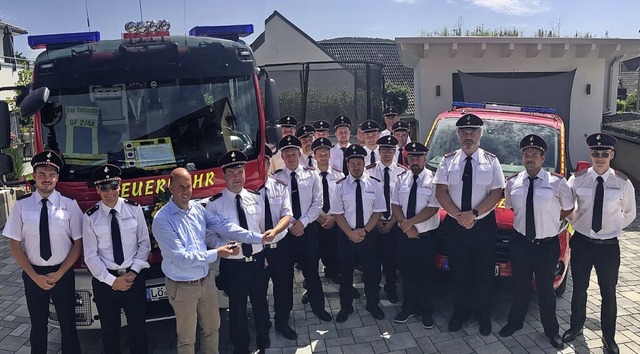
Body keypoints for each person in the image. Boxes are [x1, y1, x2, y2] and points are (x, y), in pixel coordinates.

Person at [152, 167, 272, 354]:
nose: (186, 191)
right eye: (180, 187)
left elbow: (223, 226)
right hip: (182, 286)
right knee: (187, 339)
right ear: (170, 188)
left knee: (212, 329)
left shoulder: (197, 209)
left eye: (188, 186)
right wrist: (217, 253)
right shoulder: (162, 220)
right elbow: (181, 258)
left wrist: (258, 238)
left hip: (205, 280)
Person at [563, 133, 636, 354]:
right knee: (579, 290)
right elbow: (568, 209)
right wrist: (580, 222)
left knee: (608, 292)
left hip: (608, 247)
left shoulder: (622, 183)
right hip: (583, 243)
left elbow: (630, 214)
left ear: (612, 154)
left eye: (605, 153)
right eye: (596, 153)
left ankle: (609, 337)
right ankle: (575, 327)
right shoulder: (577, 179)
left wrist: (610, 227)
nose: (600, 157)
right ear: (590, 154)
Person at [3, 150, 83, 354]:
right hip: (33, 273)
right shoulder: (21, 206)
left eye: (51, 175)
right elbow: (14, 245)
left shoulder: (69, 205)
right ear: (34, 177)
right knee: (38, 326)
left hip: (62, 274)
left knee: (68, 326)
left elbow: (78, 243)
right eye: (41, 174)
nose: (46, 179)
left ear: (57, 177)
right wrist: (34, 277)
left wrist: (60, 273)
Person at [499, 135, 573, 350]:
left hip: (546, 245)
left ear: (543, 157)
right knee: (519, 286)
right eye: (526, 154)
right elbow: (513, 208)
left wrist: (548, 220)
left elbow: (568, 208)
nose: (529, 158)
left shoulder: (558, 183)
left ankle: (552, 331)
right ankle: (515, 323)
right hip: (521, 243)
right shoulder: (513, 182)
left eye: (534, 154)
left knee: (545, 290)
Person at [434, 113, 505, 336]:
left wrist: (473, 214)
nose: (468, 135)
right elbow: (440, 191)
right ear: (458, 135)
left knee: (484, 274)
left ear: (480, 135)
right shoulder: (447, 161)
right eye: (464, 132)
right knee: (460, 272)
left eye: (473, 131)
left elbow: (496, 193)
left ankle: (483, 315)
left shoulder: (492, 161)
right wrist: (458, 215)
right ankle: (460, 313)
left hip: (483, 226)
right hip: (456, 226)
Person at [206, 151, 272, 354]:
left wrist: (265, 254)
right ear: (224, 176)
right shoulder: (214, 204)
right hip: (233, 264)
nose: (237, 177)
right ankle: (241, 346)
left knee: (261, 303)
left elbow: (263, 230)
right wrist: (222, 246)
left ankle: (263, 340)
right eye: (232, 173)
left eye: (240, 172)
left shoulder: (256, 198)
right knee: (237, 308)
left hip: (257, 261)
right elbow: (208, 236)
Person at [82, 164, 151, 354]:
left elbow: (144, 243)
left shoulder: (134, 209)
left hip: (133, 278)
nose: (109, 192)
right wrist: (114, 281)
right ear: (97, 189)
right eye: (103, 188)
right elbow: (90, 255)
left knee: (138, 329)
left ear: (119, 185)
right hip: (106, 282)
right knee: (109, 332)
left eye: (113, 186)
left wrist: (133, 272)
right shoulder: (90, 217)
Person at [271, 136, 333, 330]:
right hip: (285, 234)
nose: (291, 157)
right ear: (282, 156)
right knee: (284, 277)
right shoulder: (276, 178)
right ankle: (282, 318)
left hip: (308, 231)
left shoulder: (311, 174)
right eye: (287, 154)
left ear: (300, 154)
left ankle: (318, 307)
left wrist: (303, 223)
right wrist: (290, 225)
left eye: (294, 154)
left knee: (312, 273)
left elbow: (318, 202)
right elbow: (276, 207)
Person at [331, 144, 387, 323]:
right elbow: (337, 213)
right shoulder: (339, 186)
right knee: (346, 273)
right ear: (347, 164)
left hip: (369, 235)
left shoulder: (375, 184)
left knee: (372, 272)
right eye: (352, 163)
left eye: (359, 163)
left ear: (364, 163)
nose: (356, 166)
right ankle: (345, 306)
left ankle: (373, 303)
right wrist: (350, 233)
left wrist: (364, 231)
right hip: (346, 235)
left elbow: (378, 210)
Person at [391, 142, 440, 328]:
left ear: (425, 159)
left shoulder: (434, 180)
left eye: (418, 158)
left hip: (425, 237)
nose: (415, 161)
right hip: (405, 236)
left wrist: (409, 223)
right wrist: (405, 225)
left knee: (425, 276)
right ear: (407, 159)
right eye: (411, 158)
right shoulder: (401, 179)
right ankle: (408, 307)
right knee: (407, 274)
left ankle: (425, 311)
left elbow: (433, 208)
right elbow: (395, 204)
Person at [366, 136, 408, 304]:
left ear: (395, 151)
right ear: (379, 151)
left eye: (391, 150)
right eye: (384, 150)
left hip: (394, 223)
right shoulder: (368, 171)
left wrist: (392, 222)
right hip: (373, 224)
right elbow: (366, 201)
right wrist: (376, 222)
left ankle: (391, 288)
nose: (387, 153)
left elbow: (403, 202)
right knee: (373, 261)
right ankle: (373, 291)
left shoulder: (403, 172)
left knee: (391, 260)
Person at [260, 146, 294, 339]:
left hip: (280, 246)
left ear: (268, 164)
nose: (262, 166)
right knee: (259, 290)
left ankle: (282, 322)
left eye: (265, 162)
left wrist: (275, 231)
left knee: (284, 287)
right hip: (259, 249)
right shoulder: (248, 190)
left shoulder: (280, 186)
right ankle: (263, 324)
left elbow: (287, 214)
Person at [313, 137, 343, 284]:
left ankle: (333, 271)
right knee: (316, 251)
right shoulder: (309, 176)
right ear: (315, 156)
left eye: (326, 154)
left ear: (330, 155)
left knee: (334, 249)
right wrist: (318, 217)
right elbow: (308, 200)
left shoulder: (339, 175)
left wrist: (333, 218)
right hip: (316, 220)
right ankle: (312, 280)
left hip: (334, 219)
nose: (323, 158)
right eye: (320, 155)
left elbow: (343, 199)